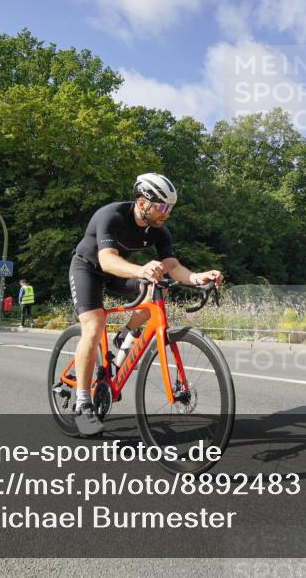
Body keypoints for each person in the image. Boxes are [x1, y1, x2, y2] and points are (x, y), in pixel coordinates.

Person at [68, 173, 222, 436]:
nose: (167, 213)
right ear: (142, 202)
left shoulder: (160, 230)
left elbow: (173, 266)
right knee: (93, 327)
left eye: (170, 208)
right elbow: (106, 260)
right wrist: (141, 269)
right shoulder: (111, 215)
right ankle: (83, 404)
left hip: (120, 272)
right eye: (162, 207)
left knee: (156, 288)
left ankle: (125, 336)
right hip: (89, 268)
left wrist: (197, 278)